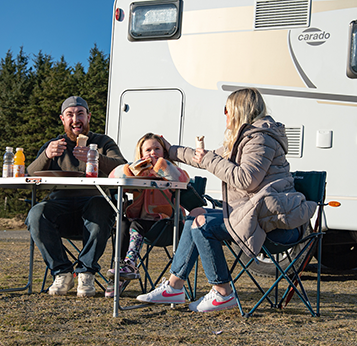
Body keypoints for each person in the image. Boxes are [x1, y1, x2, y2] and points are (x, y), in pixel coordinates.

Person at [136, 88, 317, 312]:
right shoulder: (246, 138)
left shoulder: (260, 139)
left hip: (275, 221)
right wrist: (170, 150)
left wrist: (210, 159)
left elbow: (246, 179)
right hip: (256, 213)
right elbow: (204, 158)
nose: (225, 114)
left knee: (203, 225)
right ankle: (174, 286)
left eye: (226, 109)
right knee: (196, 216)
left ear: (239, 110)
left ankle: (223, 293)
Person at [25, 96, 127, 297]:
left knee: (100, 205)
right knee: (36, 213)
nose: (75, 119)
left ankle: (86, 272)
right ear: (62, 119)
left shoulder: (102, 142)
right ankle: (62, 272)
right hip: (59, 206)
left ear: (88, 117)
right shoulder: (54, 145)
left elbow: (123, 167)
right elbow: (29, 175)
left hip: (93, 206)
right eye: (70, 115)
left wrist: (95, 157)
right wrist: (46, 155)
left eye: (80, 113)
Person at [105, 133, 190, 298]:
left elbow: (183, 180)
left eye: (157, 149)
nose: (152, 153)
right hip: (142, 227)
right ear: (141, 154)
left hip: (168, 226)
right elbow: (112, 177)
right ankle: (120, 273)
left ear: (164, 152)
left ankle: (130, 263)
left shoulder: (172, 170)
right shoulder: (137, 172)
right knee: (122, 221)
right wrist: (132, 169)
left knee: (137, 224)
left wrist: (162, 166)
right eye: (148, 150)